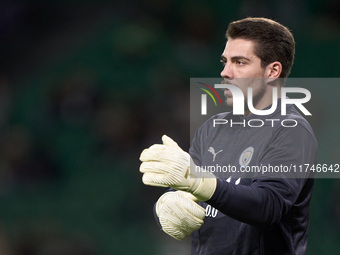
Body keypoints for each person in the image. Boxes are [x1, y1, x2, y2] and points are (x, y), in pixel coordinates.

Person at [139, 17, 318, 255]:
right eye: (225, 62)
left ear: (272, 71)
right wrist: (166, 204)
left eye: (240, 62)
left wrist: (201, 183)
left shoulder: (292, 131)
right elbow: (187, 186)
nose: (225, 72)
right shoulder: (213, 127)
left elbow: (268, 206)